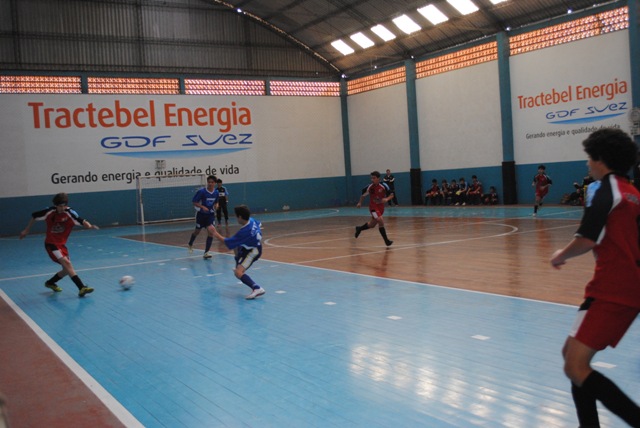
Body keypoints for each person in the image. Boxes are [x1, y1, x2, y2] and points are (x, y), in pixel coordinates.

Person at [550, 128, 640, 427]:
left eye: (589, 157)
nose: (587, 164)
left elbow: (588, 239)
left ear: (601, 158)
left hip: (615, 288)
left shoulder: (605, 190)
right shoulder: (632, 192)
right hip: (615, 286)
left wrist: (561, 255)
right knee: (570, 356)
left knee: (576, 366)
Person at [19, 192, 99, 297]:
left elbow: (80, 220)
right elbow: (34, 216)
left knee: (66, 270)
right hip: (51, 243)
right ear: (55, 205)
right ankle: (81, 287)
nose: (62, 208)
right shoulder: (49, 212)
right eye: (60, 206)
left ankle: (50, 283)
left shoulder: (69, 213)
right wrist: (26, 230)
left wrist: (89, 226)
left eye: (64, 205)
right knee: (68, 264)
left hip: (61, 245)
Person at [211, 205, 265, 300]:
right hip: (250, 245)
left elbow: (227, 242)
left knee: (238, 273)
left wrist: (215, 233)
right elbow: (259, 225)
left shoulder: (244, 231)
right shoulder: (252, 220)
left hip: (253, 251)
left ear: (240, 217)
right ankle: (238, 264)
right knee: (237, 245)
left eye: (236, 216)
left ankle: (257, 288)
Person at [355, 170, 394, 246]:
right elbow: (363, 195)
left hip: (381, 208)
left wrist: (386, 199)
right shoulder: (369, 187)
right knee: (380, 220)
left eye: (374, 178)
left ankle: (359, 228)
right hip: (373, 208)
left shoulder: (384, 186)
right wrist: (360, 202)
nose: (372, 180)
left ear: (378, 178)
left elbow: (392, 195)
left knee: (372, 225)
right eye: (371, 178)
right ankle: (387, 241)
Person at [187, 175, 219, 259]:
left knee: (211, 232)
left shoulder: (216, 192)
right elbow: (194, 202)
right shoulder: (202, 192)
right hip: (201, 215)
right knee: (197, 231)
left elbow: (216, 202)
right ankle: (190, 243)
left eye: (212, 182)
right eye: (209, 182)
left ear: (215, 183)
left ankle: (206, 252)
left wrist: (216, 205)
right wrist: (202, 207)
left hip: (210, 215)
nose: (210, 184)